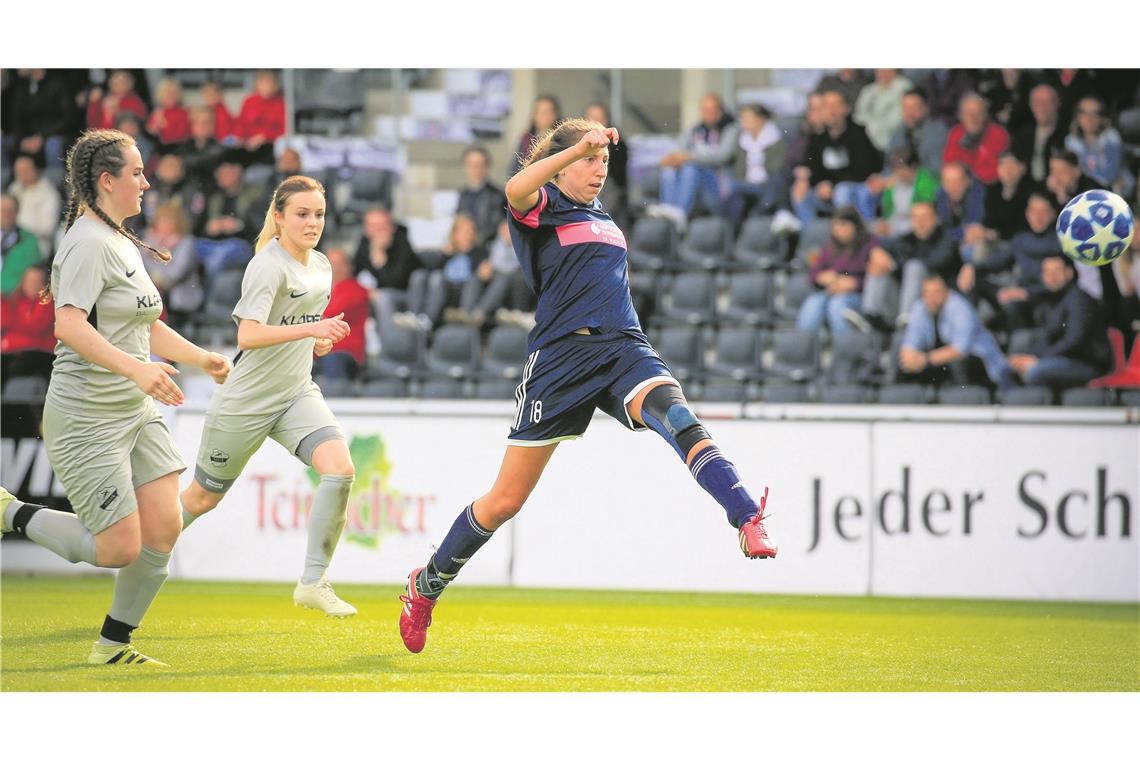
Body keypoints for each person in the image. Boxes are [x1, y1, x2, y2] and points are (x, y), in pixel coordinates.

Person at [397, 118, 777, 654]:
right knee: (505, 501)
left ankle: (746, 516)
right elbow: (514, 188)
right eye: (589, 159)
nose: (599, 170)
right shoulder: (541, 205)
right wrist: (575, 145)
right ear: (565, 159)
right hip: (560, 359)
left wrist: (586, 149)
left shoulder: (601, 216)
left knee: (676, 414)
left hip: (622, 347)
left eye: (604, 161)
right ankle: (427, 584)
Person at [0, 128, 231, 667]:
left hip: (132, 407)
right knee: (118, 548)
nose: (147, 182)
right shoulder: (85, 242)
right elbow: (69, 326)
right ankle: (11, 512)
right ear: (108, 182)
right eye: (137, 173)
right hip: (86, 417)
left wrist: (203, 357)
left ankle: (112, 646)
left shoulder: (120, 239)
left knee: (165, 528)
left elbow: (143, 325)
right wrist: (139, 371)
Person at [178, 175, 359, 617]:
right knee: (202, 499)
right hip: (247, 402)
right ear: (278, 218)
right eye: (302, 214)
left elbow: (297, 327)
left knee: (339, 470)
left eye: (318, 214)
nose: (312, 222)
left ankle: (313, 582)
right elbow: (249, 334)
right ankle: (133, 543)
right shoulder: (267, 264)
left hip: (296, 392)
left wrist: (317, 342)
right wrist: (312, 329)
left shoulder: (320, 265)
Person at [1008, 254, 1112, 392]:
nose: (1052, 276)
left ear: (1068, 273)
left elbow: (1074, 340)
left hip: (1085, 362)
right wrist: (1027, 357)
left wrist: (1037, 359)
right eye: (1047, 272)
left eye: (1056, 271)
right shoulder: (1050, 299)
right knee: (1008, 365)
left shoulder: (1078, 299)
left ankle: (1044, 408)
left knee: (1035, 372)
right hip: (1062, 357)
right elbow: (1048, 337)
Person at [897, 273, 1012, 390]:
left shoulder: (961, 309)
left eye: (936, 292)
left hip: (981, 363)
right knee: (903, 359)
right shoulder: (920, 307)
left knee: (957, 363)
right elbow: (909, 343)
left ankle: (965, 399)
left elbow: (960, 350)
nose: (931, 298)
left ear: (946, 292)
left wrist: (925, 359)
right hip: (938, 360)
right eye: (927, 293)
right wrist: (910, 358)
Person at [859, 202, 961, 331]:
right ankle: (869, 315)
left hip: (935, 299)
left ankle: (908, 317)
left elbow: (935, 262)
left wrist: (893, 264)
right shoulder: (906, 239)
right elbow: (885, 251)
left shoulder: (947, 239)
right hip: (899, 298)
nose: (920, 221)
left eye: (925, 217)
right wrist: (877, 252)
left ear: (935, 218)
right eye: (915, 217)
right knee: (878, 265)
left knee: (914, 266)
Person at [792, 89, 881, 226]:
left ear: (845, 109)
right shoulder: (817, 138)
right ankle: (812, 234)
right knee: (799, 193)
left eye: (836, 105)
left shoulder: (858, 133)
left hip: (856, 186)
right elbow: (813, 166)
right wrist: (810, 181)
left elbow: (863, 170)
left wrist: (832, 185)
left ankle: (848, 235)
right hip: (828, 189)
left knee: (842, 191)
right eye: (827, 106)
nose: (831, 110)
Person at [653, 92, 739, 228]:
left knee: (690, 167)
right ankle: (668, 208)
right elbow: (679, 151)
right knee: (668, 169)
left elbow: (723, 156)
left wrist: (689, 157)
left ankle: (680, 212)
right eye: (705, 110)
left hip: (718, 187)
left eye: (712, 110)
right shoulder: (695, 130)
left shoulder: (730, 129)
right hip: (696, 188)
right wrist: (672, 159)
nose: (708, 114)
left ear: (720, 111)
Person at [795, 206, 880, 336]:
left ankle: (843, 347)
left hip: (859, 295)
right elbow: (813, 274)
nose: (841, 230)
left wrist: (855, 283)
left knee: (837, 305)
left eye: (845, 225)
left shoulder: (870, 244)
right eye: (837, 226)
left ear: (855, 226)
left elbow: (875, 275)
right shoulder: (829, 247)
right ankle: (803, 344)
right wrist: (822, 277)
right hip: (832, 291)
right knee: (814, 302)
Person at [352, 206, 422, 333]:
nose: (378, 230)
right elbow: (356, 273)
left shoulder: (402, 242)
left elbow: (395, 283)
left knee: (383, 297)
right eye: (373, 226)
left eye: (383, 226)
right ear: (366, 229)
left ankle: (388, 343)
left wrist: (380, 260)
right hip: (373, 294)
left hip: (406, 298)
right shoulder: (365, 244)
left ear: (392, 227)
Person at [313, 245, 369, 381]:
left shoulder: (356, 290)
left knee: (333, 360)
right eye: (329, 263)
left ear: (348, 267)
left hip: (345, 351)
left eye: (338, 263)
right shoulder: (317, 290)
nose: (333, 267)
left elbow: (333, 312)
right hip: (317, 351)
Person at [142, 203, 202, 331]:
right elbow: (139, 266)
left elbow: (176, 273)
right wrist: (153, 246)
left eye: (170, 221)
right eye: (162, 220)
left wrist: (156, 275)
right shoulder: (150, 241)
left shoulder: (187, 242)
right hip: (153, 291)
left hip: (177, 295)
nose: (165, 225)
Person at [1064, 94, 1134, 198]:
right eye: (1084, 112)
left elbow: (1110, 175)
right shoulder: (1071, 141)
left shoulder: (1111, 136)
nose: (1089, 118)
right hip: (1084, 196)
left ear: (1102, 117)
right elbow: (1073, 174)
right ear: (1077, 116)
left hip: (1116, 197)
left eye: (1095, 113)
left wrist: (1084, 175)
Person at [728, 103, 785, 227]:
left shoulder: (775, 139)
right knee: (733, 191)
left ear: (760, 119)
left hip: (766, 183)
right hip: (746, 182)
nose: (743, 123)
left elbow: (776, 169)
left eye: (747, 119)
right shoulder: (742, 140)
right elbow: (738, 168)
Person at [0, 265, 55, 384]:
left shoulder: (48, 303)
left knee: (16, 366)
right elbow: (5, 323)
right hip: (16, 351)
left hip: (41, 352)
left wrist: (9, 340)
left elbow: (36, 328)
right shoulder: (18, 301)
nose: (32, 285)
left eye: (36, 281)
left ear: (44, 283)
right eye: (29, 281)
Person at [942, 92, 1009, 185]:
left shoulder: (998, 134)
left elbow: (995, 174)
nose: (972, 118)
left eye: (978, 113)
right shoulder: (956, 133)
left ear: (986, 116)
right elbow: (950, 167)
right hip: (960, 188)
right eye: (968, 113)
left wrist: (966, 170)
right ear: (961, 116)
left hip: (989, 189)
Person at [7, 153, 61, 257]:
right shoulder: (14, 188)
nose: (22, 174)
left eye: (25, 170)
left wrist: (21, 228)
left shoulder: (48, 193)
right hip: (11, 239)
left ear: (35, 170)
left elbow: (47, 228)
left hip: (36, 243)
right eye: (19, 172)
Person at [885, 88, 949, 174]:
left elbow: (936, 168)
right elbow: (889, 166)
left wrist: (911, 174)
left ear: (926, 108)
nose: (909, 112)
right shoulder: (897, 132)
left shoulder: (938, 131)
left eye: (915, 107)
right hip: (899, 183)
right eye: (905, 107)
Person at [1011, 84, 1065, 184]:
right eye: (1036, 102)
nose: (1041, 107)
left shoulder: (1067, 135)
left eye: (1047, 102)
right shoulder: (1022, 135)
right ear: (1030, 105)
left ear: (1057, 104)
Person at [853, 69, 913, 153]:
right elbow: (858, 115)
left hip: (894, 134)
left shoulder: (904, 87)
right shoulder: (868, 90)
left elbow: (898, 117)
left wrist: (874, 126)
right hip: (869, 135)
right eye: (879, 70)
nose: (883, 73)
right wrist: (871, 126)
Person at [456, 145, 504, 247]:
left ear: (487, 167)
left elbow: (496, 227)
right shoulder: (463, 194)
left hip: (487, 249)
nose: (476, 170)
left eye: (480, 165)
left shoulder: (497, 195)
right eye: (472, 165)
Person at [234, 70, 285, 166]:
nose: (267, 86)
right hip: (247, 144)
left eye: (270, 82)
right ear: (257, 83)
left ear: (276, 84)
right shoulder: (249, 101)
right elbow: (240, 123)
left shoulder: (281, 103)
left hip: (269, 145)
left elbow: (284, 129)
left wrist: (264, 137)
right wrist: (240, 138)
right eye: (263, 82)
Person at [509, 94, 561, 178]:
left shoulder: (563, 139)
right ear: (534, 116)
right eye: (542, 112)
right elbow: (514, 170)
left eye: (549, 111)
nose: (546, 116)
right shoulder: (526, 139)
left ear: (556, 114)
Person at [2, 193, 42, 296]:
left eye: (10, 211)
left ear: (17, 212)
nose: (6, 214)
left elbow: (34, 278)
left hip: (14, 302)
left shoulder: (29, 241)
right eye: (2, 210)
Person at [145, 78, 190, 151]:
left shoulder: (185, 111)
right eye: (167, 93)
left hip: (185, 147)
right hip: (166, 148)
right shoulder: (158, 113)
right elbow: (150, 132)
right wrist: (157, 125)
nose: (170, 95)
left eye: (173, 92)